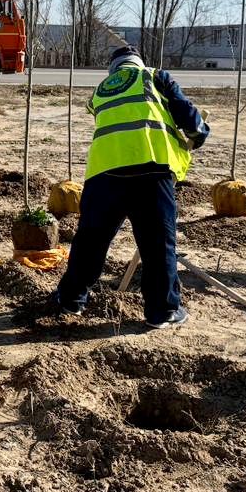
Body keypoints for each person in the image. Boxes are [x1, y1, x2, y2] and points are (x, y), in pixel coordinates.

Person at [51, 45, 209, 328]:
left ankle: (71, 299)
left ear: (113, 69)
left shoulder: (100, 90)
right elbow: (188, 117)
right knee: (157, 243)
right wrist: (199, 133)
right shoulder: (155, 76)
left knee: (90, 241)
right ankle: (163, 311)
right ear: (138, 63)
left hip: (104, 173)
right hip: (150, 169)